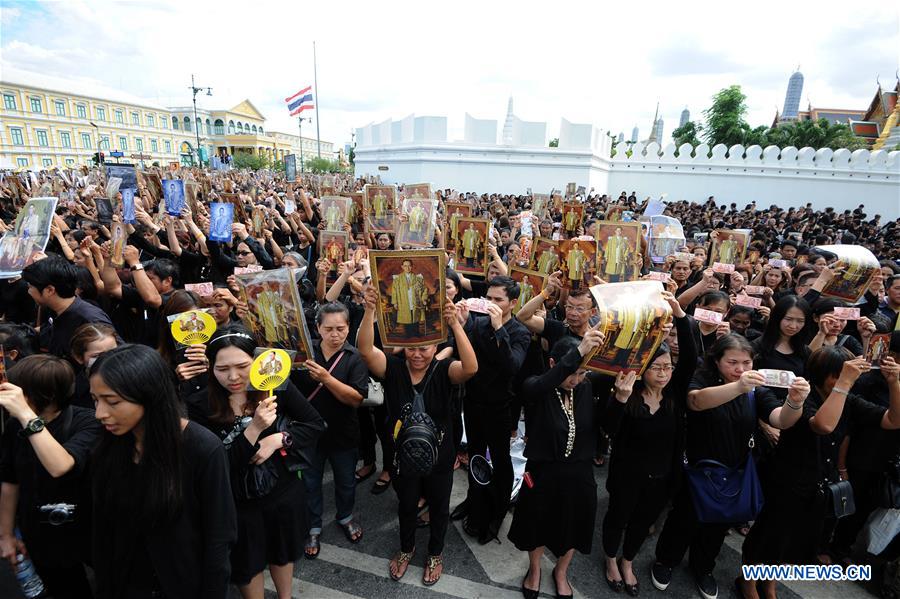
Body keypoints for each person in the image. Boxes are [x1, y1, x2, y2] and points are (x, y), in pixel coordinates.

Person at [651, 334, 810, 599]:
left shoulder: (756, 390)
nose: (740, 369)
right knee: (684, 518)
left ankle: (703, 567)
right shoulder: (704, 378)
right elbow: (696, 401)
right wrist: (738, 386)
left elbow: (781, 420)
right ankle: (665, 561)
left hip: (734, 470)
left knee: (717, 524)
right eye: (733, 362)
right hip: (698, 468)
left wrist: (795, 401)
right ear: (717, 360)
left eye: (746, 363)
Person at [740, 346, 900, 599]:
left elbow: (893, 420)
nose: (842, 381)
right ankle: (748, 581)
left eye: (844, 375)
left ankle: (769, 582)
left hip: (819, 483)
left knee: (793, 540)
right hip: (786, 479)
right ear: (821, 373)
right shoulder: (806, 396)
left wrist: (894, 383)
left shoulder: (849, 400)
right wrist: (845, 382)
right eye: (836, 375)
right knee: (769, 534)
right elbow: (823, 425)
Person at [89, 344, 237, 598]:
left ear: (149, 396)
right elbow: (103, 530)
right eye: (95, 400)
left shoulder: (202, 449)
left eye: (112, 401)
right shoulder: (107, 445)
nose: (100, 413)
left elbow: (219, 538)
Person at [186, 326, 324, 599]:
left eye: (242, 366)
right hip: (236, 504)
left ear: (257, 361)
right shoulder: (199, 405)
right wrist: (254, 429)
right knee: (246, 566)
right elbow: (215, 467)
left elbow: (315, 424)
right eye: (222, 368)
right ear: (210, 367)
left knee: (282, 553)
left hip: (281, 492)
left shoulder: (275, 386)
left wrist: (278, 440)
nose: (233, 377)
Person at [358, 285, 477, 585]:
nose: (418, 354)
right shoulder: (394, 369)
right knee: (406, 504)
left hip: (440, 456)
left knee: (439, 506)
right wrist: (370, 309)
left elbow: (471, 368)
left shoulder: (444, 370)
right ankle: (406, 547)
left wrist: (454, 325)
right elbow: (365, 351)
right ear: (404, 348)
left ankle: (435, 552)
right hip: (402, 457)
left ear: (435, 348)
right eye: (412, 348)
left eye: (424, 348)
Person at [601, 291, 696, 596]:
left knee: (642, 523)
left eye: (668, 367)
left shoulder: (673, 396)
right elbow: (608, 430)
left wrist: (680, 315)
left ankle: (628, 561)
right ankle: (611, 560)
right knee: (618, 517)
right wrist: (620, 399)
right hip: (627, 475)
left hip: (662, 477)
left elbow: (692, 356)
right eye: (657, 368)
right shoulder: (628, 394)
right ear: (642, 369)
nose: (664, 374)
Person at [508, 328, 604, 599]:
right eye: (573, 371)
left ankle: (561, 571)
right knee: (536, 524)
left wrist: (620, 399)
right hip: (542, 473)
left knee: (574, 525)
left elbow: (607, 426)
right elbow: (540, 385)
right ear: (554, 364)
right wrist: (579, 353)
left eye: (583, 372)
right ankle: (535, 569)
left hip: (579, 474)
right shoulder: (537, 387)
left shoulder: (586, 389)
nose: (576, 379)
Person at [0, 355, 102, 598]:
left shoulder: (87, 421)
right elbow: (10, 482)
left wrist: (26, 415)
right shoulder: (15, 427)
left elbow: (60, 465)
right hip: (41, 536)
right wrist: (6, 535)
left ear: (40, 396)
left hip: (88, 534)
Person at [456, 276, 531, 544]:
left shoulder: (520, 332)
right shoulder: (477, 322)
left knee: (499, 461)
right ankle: (474, 501)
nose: (491, 304)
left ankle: (497, 510)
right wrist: (462, 324)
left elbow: (512, 366)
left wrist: (500, 328)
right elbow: (465, 354)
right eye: (488, 298)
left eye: (498, 300)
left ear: (512, 302)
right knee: (475, 454)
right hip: (474, 401)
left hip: (501, 407)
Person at [291, 302, 369, 559]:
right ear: (317, 328)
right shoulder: (304, 352)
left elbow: (356, 398)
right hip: (308, 434)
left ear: (349, 327)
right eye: (329, 328)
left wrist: (326, 378)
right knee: (310, 483)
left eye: (341, 328)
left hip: (343, 433)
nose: (335, 334)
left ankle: (345, 516)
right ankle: (313, 525)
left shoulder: (354, 357)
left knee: (346, 482)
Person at [22, 256, 114, 360]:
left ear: (50, 290)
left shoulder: (90, 319)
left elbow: (115, 362)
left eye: (30, 287)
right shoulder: (55, 310)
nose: (28, 291)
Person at [390, 259, 429, 338]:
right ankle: (408, 334)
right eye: (405, 266)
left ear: (412, 267)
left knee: (415, 317)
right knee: (406, 318)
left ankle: (416, 333)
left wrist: (423, 298)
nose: (407, 268)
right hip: (403, 301)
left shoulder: (418, 278)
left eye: (409, 266)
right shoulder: (397, 279)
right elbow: (394, 291)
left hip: (415, 301)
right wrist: (395, 302)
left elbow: (425, 289)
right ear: (402, 267)